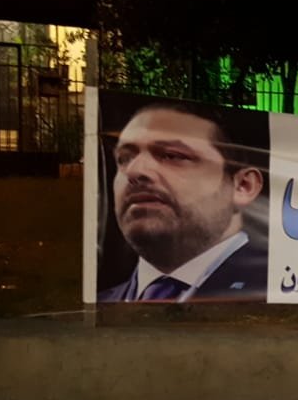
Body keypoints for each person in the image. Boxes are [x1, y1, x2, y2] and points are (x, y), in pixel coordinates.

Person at [98, 101, 267, 303]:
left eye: (171, 155)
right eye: (124, 158)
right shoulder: (102, 303)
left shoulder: (272, 291)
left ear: (243, 186)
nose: (135, 171)